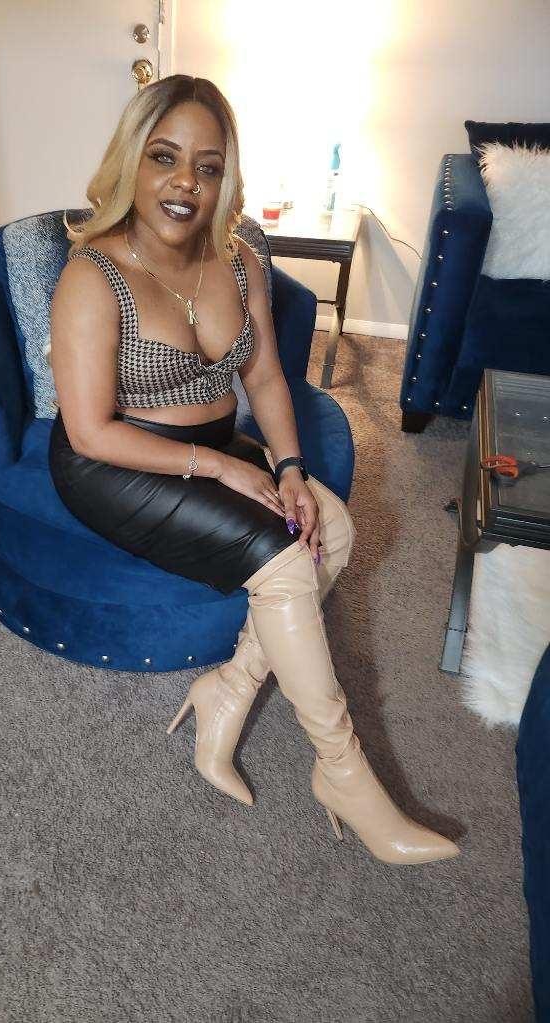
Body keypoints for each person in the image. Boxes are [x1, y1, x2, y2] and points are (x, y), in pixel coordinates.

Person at [48, 74, 459, 865]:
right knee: (285, 562)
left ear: (225, 177)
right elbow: (90, 432)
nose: (185, 183)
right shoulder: (91, 276)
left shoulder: (238, 260)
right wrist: (220, 466)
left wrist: (290, 467)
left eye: (207, 167)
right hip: (114, 463)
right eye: (164, 157)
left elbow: (266, 376)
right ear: (131, 160)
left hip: (206, 450)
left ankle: (227, 691)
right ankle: (343, 770)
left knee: (331, 527)